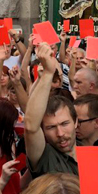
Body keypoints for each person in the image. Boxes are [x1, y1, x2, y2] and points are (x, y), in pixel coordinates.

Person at [25, 43, 79, 177]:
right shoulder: (44, 155)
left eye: (65, 124)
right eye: (51, 127)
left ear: (76, 122)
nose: (60, 133)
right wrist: (48, 73)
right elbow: (31, 126)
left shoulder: (93, 153)